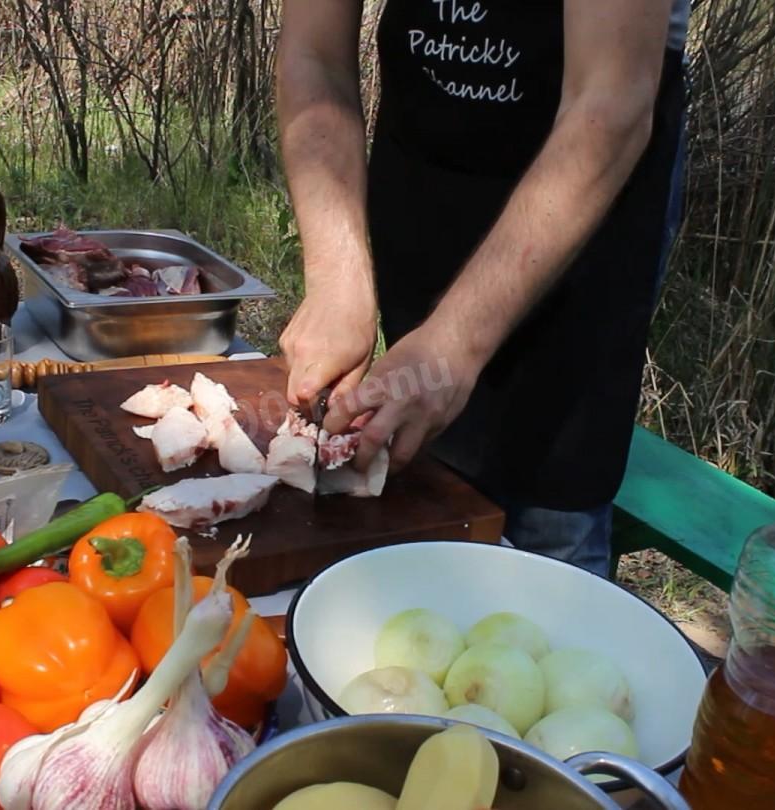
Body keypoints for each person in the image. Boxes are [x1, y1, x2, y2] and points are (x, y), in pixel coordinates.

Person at [274, 0, 690, 576]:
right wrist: (336, 274)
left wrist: (455, 341)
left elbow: (610, 101)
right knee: (423, 465)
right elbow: (314, 57)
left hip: (587, 185)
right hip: (427, 162)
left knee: (550, 505)